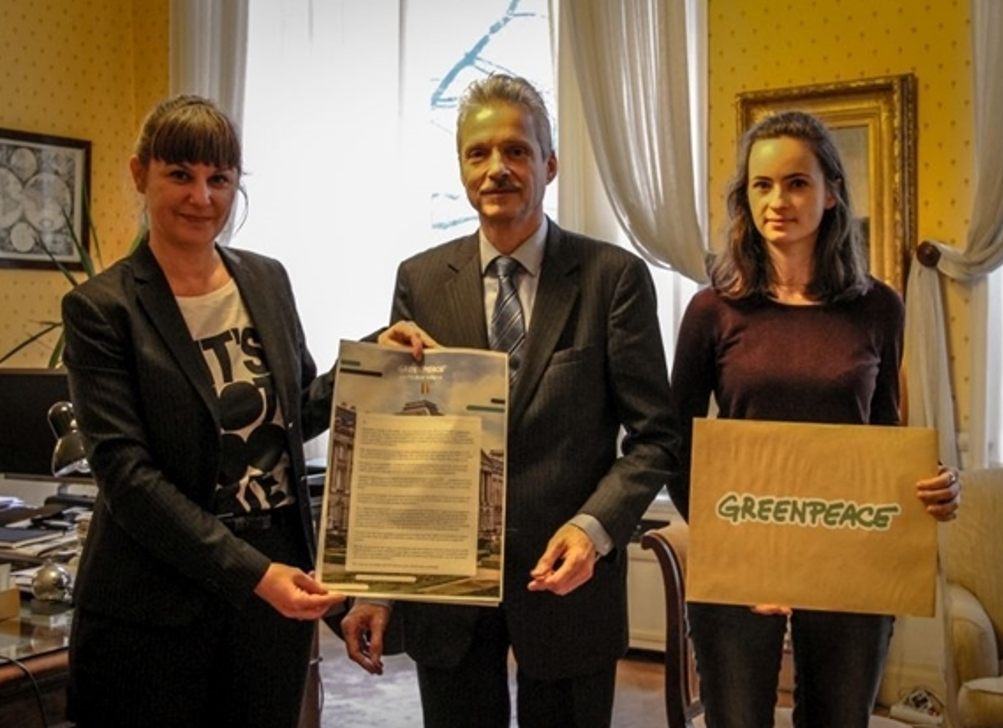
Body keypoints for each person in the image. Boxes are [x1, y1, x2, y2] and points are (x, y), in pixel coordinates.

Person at [339, 73, 681, 728]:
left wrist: (594, 529)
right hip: (447, 593)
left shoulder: (613, 278)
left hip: (570, 584)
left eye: (516, 150)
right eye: (479, 153)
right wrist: (379, 587)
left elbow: (656, 437)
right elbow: (404, 447)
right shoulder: (419, 279)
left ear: (549, 164)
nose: (497, 168)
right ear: (462, 169)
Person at [668, 109, 962, 728]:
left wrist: (932, 483)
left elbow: (882, 436)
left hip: (849, 555)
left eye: (797, 183)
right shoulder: (712, 309)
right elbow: (676, 445)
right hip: (740, 556)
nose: (779, 201)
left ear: (831, 193)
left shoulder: (879, 307)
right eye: (763, 185)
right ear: (746, 198)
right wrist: (738, 551)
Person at [60, 94, 346, 728]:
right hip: (155, 607)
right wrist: (251, 574)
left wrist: (375, 363)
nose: (202, 197)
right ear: (140, 174)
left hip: (274, 589)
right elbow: (128, 478)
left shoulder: (267, 280)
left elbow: (293, 416)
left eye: (220, 178)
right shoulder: (101, 309)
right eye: (180, 174)